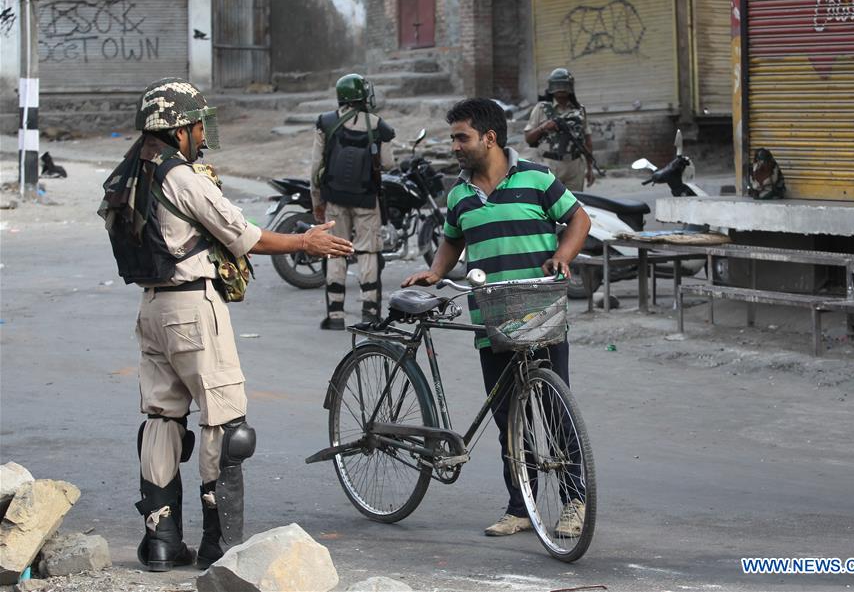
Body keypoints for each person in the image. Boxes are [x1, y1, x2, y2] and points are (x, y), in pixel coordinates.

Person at [98, 77, 353, 572]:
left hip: (152, 308)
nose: (201, 134)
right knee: (226, 423)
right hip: (193, 307)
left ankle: (161, 541)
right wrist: (305, 243)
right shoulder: (181, 176)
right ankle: (219, 544)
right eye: (196, 126)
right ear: (178, 129)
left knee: (162, 419)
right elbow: (243, 234)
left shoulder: (130, 171)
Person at [401, 98, 590, 537]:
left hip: (541, 314)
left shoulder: (538, 179)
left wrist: (563, 256)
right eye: (452, 138)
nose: (454, 146)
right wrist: (435, 271)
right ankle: (520, 506)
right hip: (492, 322)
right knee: (507, 417)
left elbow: (579, 219)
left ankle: (574, 501)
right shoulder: (460, 194)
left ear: (489, 138)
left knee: (555, 410)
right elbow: (452, 242)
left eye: (461, 137)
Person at [310, 73, 396, 330]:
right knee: (368, 251)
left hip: (334, 198)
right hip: (367, 198)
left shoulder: (325, 122)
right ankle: (369, 313)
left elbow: (316, 168)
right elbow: (389, 163)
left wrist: (317, 201)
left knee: (335, 250)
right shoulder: (379, 125)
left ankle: (335, 315)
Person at [524, 68, 595, 192]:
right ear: (551, 87)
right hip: (550, 164)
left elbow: (587, 141)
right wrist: (543, 127)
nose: (561, 89)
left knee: (575, 204)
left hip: (575, 165)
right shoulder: (541, 109)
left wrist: (590, 169)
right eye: (558, 85)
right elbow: (528, 138)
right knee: (550, 207)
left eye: (564, 85)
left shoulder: (579, 110)